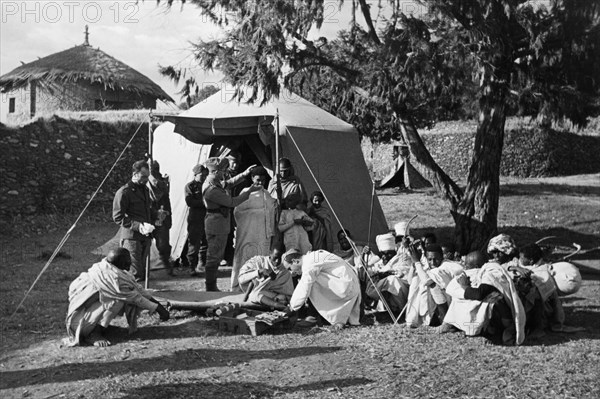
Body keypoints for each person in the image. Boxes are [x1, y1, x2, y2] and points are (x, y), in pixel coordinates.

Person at [64, 247, 169, 347]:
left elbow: (138, 290)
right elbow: (137, 298)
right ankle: (93, 333)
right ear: (120, 262)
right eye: (127, 261)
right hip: (79, 323)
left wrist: (159, 307)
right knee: (116, 301)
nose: (130, 263)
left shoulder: (108, 266)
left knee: (117, 299)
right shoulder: (112, 277)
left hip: (86, 314)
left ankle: (100, 327)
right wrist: (160, 310)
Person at [442, 238, 527, 345]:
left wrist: (464, 286)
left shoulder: (493, 271)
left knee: (494, 299)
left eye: (498, 252)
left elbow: (478, 294)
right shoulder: (489, 267)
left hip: (508, 309)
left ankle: (506, 329)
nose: (495, 256)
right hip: (494, 304)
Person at [203, 157, 261, 291]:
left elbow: (228, 183)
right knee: (214, 257)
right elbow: (232, 202)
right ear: (216, 171)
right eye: (223, 170)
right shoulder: (212, 189)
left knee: (216, 255)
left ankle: (211, 285)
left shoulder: (214, 182)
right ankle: (210, 287)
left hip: (219, 223)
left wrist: (244, 174)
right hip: (216, 225)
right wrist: (249, 192)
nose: (225, 173)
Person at [285, 249, 361, 329]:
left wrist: (291, 308)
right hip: (348, 284)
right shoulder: (310, 258)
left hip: (347, 286)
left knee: (310, 282)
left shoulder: (309, 264)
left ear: (295, 261)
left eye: (289, 268)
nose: (291, 272)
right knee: (309, 280)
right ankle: (327, 318)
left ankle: (313, 318)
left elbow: (304, 287)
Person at [231, 166, 277, 291]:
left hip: (262, 233)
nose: (260, 183)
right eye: (257, 180)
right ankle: (238, 286)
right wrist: (257, 213)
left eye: (263, 180)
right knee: (245, 257)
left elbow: (272, 210)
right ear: (252, 178)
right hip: (248, 231)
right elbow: (237, 212)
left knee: (260, 258)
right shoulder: (246, 192)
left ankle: (258, 287)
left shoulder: (267, 194)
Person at [112, 160, 155, 282]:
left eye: (147, 176)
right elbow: (118, 216)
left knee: (142, 271)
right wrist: (138, 226)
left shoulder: (145, 190)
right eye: (143, 176)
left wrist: (157, 215)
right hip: (132, 238)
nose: (146, 179)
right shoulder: (124, 192)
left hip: (145, 237)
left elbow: (147, 210)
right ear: (135, 174)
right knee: (135, 273)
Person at [404, 243, 464, 327]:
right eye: (430, 259)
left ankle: (444, 321)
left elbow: (427, 280)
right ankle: (419, 317)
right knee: (416, 279)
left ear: (442, 257)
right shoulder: (430, 267)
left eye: (436, 259)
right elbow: (410, 281)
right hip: (443, 301)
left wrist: (417, 262)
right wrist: (414, 264)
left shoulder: (445, 266)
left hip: (454, 302)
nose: (433, 262)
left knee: (433, 286)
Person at [223, 151, 248, 266]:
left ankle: (235, 256)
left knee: (238, 231)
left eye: (237, 163)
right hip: (226, 207)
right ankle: (226, 256)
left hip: (238, 206)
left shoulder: (244, 178)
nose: (235, 165)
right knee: (226, 232)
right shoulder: (223, 175)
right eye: (233, 162)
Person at [147, 160, 173, 275]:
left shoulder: (162, 183)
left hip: (162, 218)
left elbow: (166, 201)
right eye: (152, 169)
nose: (154, 172)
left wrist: (166, 216)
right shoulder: (144, 184)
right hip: (148, 217)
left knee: (163, 245)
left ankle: (167, 265)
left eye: (156, 169)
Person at [185, 164, 209, 276]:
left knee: (205, 242)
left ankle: (202, 264)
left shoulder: (207, 185)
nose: (204, 177)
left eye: (205, 175)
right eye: (201, 175)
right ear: (195, 175)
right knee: (194, 243)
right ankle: (191, 266)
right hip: (195, 217)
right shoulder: (190, 186)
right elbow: (189, 202)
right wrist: (204, 203)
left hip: (207, 217)